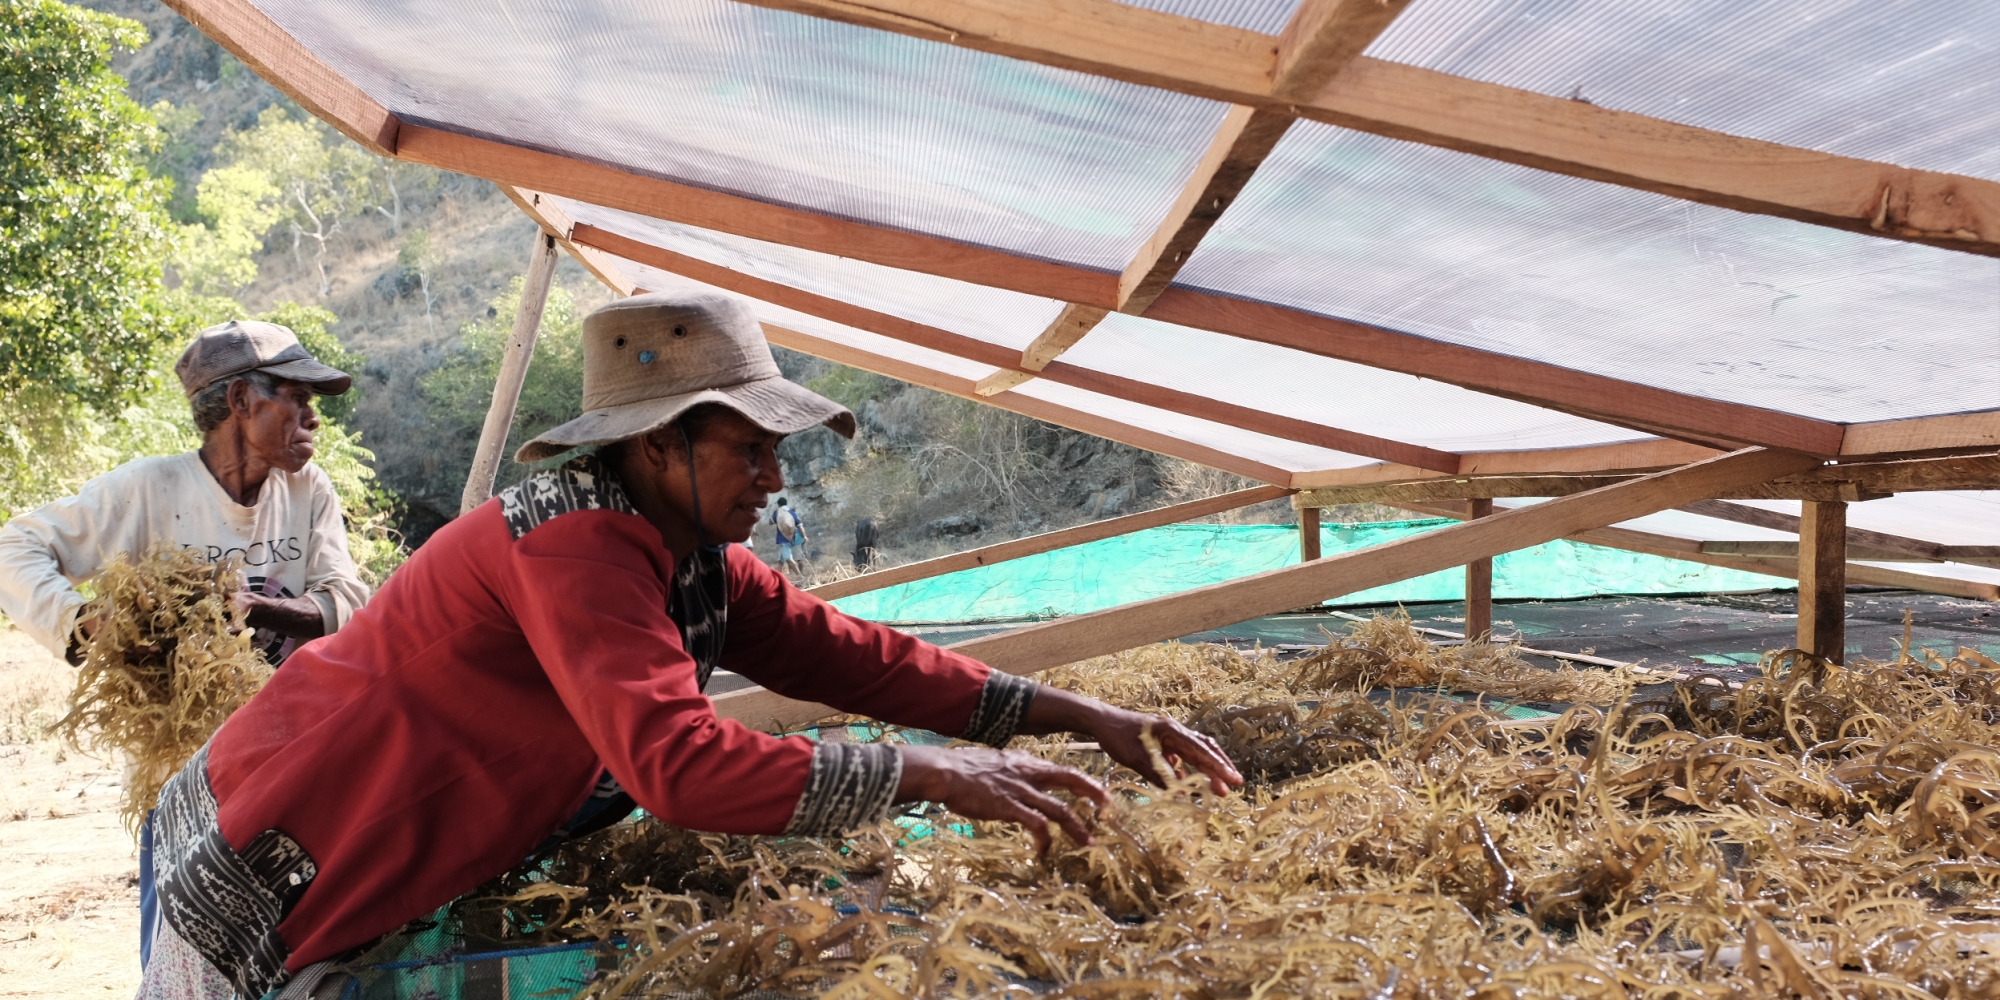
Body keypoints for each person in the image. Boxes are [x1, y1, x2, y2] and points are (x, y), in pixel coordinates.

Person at [134, 291, 1242, 999]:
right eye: (751, 449)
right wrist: (930, 773)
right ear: (660, 445)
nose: (775, 477)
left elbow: (857, 657)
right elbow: (677, 765)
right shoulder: (575, 544)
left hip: (379, 829)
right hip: (278, 844)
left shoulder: (690, 554)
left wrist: (1082, 715)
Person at [0, 319, 371, 975]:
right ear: (239, 402)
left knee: (289, 954)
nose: (314, 416)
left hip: (291, 764)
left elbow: (347, 595)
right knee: (182, 953)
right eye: (296, 396)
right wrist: (82, 623)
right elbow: (15, 546)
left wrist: (268, 609)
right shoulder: (148, 490)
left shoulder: (307, 491)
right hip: (181, 779)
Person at [771, 495, 807, 572]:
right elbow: (800, 526)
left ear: (778, 505)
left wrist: (775, 515)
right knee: (780, 560)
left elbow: (770, 522)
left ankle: (799, 576)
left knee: (789, 558)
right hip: (792, 539)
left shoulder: (778, 513)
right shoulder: (792, 513)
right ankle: (779, 575)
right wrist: (804, 536)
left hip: (782, 540)